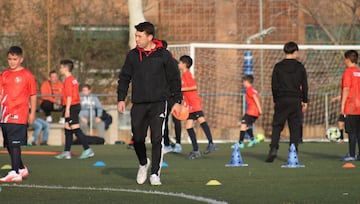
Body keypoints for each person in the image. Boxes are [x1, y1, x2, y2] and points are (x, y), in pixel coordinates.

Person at [117, 22, 182, 186]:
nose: (136, 39)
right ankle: (143, 163)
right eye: (136, 36)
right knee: (137, 138)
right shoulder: (132, 55)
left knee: (156, 139)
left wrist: (176, 101)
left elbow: (175, 79)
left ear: (150, 37)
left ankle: (154, 174)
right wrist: (121, 98)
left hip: (159, 103)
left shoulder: (164, 55)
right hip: (138, 103)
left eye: (139, 36)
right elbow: (124, 78)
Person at [266, 41, 308, 163]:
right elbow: (304, 85)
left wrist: (276, 99)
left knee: (277, 126)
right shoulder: (300, 67)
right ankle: (293, 151)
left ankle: (273, 148)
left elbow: (274, 85)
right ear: (295, 52)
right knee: (294, 126)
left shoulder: (278, 66)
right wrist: (305, 100)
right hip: (295, 99)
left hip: (282, 99)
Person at [0, 46, 36, 182]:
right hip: (5, 114)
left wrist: (32, 113)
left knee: (15, 143)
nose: (12, 62)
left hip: (19, 114)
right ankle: (21, 168)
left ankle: (14, 172)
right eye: (10, 59)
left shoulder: (27, 75)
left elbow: (32, 95)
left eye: (15, 59)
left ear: (21, 59)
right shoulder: (4, 74)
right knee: (9, 144)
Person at [178, 55, 217, 159]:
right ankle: (196, 150)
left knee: (201, 120)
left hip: (194, 102)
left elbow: (193, 86)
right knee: (188, 126)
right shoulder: (183, 75)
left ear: (184, 64)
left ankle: (211, 143)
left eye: (180, 63)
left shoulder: (187, 74)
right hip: (189, 104)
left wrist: (181, 89)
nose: (179, 64)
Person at [55, 59, 94, 160]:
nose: (60, 69)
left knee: (75, 129)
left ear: (66, 68)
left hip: (72, 106)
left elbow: (69, 96)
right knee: (67, 128)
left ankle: (88, 150)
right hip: (72, 105)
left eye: (61, 67)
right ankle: (67, 152)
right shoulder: (73, 79)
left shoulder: (68, 80)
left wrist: (67, 109)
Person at [340, 50, 360, 161]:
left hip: (351, 106)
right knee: (359, 132)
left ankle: (352, 155)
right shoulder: (359, 71)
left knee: (352, 132)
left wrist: (342, 106)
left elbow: (347, 88)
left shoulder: (348, 72)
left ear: (348, 59)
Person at [233, 75, 262, 149]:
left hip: (251, 111)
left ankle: (240, 143)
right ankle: (253, 139)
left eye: (243, 82)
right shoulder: (253, 89)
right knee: (246, 126)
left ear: (246, 82)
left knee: (243, 125)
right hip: (254, 113)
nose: (243, 83)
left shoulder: (249, 89)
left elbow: (255, 98)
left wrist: (259, 109)